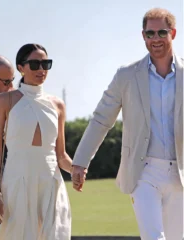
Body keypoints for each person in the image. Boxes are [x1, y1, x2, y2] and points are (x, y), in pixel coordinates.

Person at [71, 8, 183, 240]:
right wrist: (80, 162)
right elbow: (102, 119)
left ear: (173, 32)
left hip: (180, 174)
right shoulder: (126, 76)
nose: (155, 39)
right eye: (149, 33)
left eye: (162, 32)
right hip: (143, 172)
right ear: (143, 36)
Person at [0, 43, 72, 239]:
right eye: (35, 64)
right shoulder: (5, 101)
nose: (41, 70)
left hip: (51, 182)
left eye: (46, 64)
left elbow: (60, 155)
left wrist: (77, 169)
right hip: (17, 180)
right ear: (21, 68)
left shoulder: (58, 105)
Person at [0, 53, 14, 238]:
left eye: (13, 80)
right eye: (6, 82)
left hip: (5, 185)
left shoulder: (11, 103)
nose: (11, 87)